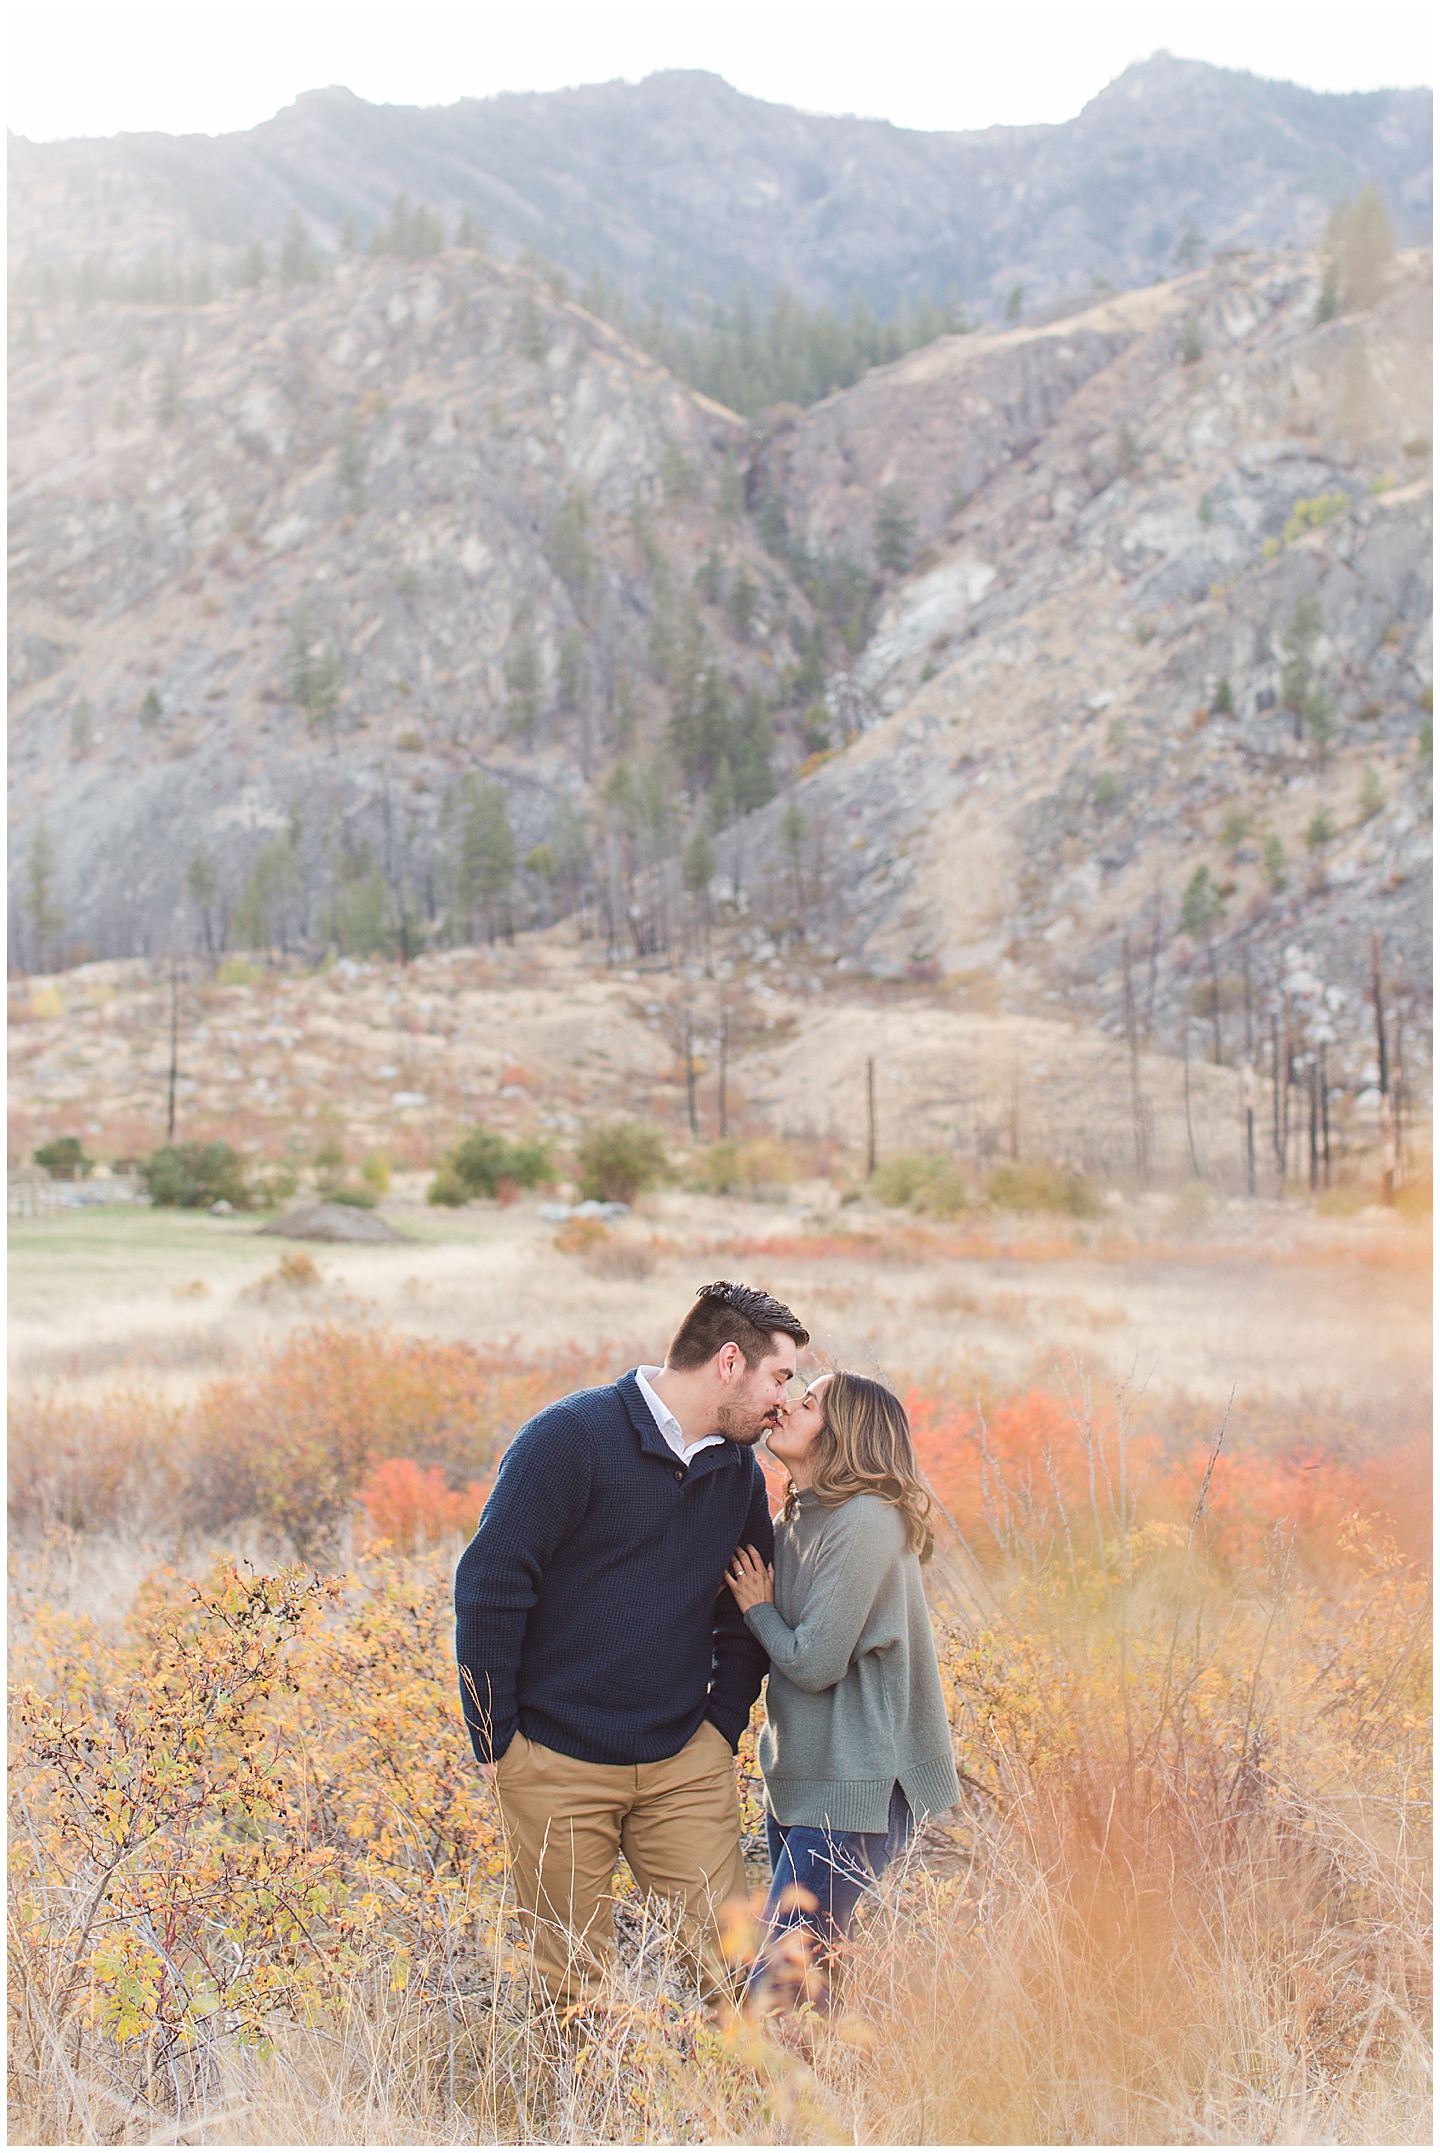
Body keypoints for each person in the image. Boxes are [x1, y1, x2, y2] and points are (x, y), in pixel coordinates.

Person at [454, 1280, 809, 2012]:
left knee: (728, 1969)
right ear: (729, 1361)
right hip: (555, 1764)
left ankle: (742, 2118)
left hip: (684, 1763)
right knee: (571, 1985)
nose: (784, 1399)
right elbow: (491, 1581)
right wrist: (499, 1744)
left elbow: (751, 1602)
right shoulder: (570, 1437)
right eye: (779, 1377)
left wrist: (721, 1727)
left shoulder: (736, 1470)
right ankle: (585, 2124)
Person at [725, 1370, 960, 2012]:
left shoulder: (866, 1521)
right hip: (805, 1773)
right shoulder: (800, 1515)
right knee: (812, 1971)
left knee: (778, 1975)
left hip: (858, 1781)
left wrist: (758, 1609)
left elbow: (815, 1661)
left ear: (845, 1432)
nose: (786, 1405)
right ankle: (830, 2098)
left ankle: (730, 2098)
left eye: (807, 1402)